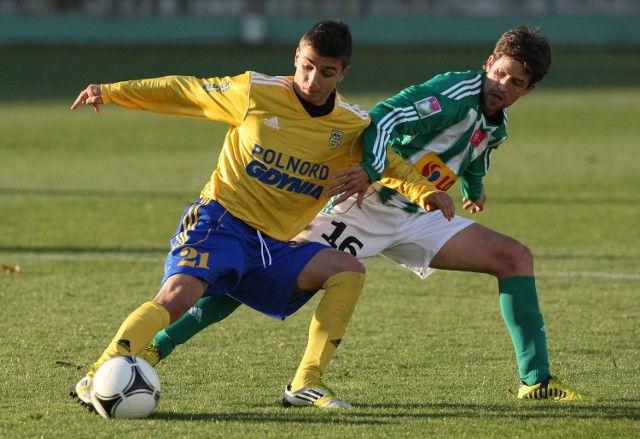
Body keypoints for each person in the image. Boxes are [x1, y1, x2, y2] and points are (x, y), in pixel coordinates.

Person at [137, 25, 592, 405]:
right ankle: (156, 349)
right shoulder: (454, 93)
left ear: (529, 89)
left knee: (514, 257)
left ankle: (535, 381)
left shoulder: (497, 122)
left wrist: (475, 189)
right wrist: (371, 169)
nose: (502, 87)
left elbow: (477, 152)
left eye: (516, 83)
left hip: (418, 215)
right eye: (499, 74)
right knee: (250, 274)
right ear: (488, 63)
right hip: (360, 205)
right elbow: (382, 118)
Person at [68, 19, 451, 412]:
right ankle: (98, 373)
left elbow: (387, 161)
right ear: (296, 57)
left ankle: (305, 383)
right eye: (307, 65)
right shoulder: (255, 92)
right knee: (178, 296)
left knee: (347, 270)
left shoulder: (352, 124)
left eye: (327, 72)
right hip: (221, 221)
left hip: (273, 246)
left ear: (343, 73)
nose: (313, 79)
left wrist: (425, 191)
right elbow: (185, 90)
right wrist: (111, 91)